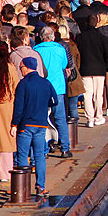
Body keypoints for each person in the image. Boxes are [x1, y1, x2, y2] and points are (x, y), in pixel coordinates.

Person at [11, 57, 56, 198]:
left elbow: (18, 107)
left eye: (21, 67)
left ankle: (22, 188)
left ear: (27, 67)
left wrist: (14, 124)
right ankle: (40, 186)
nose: (20, 70)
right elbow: (54, 101)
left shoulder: (23, 84)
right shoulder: (46, 83)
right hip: (41, 124)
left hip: (25, 125)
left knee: (23, 155)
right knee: (39, 156)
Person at [32, 27, 72, 158]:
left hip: (42, 88)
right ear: (53, 36)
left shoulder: (36, 50)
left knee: (42, 119)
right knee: (60, 118)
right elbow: (64, 65)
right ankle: (65, 148)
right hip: (58, 88)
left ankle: (44, 149)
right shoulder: (60, 49)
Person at [76, 15, 108, 127]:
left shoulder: (80, 37)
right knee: (98, 95)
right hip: (99, 69)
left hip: (85, 69)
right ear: (97, 23)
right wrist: (104, 65)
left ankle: (89, 119)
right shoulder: (102, 38)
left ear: (86, 23)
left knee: (87, 95)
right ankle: (98, 116)